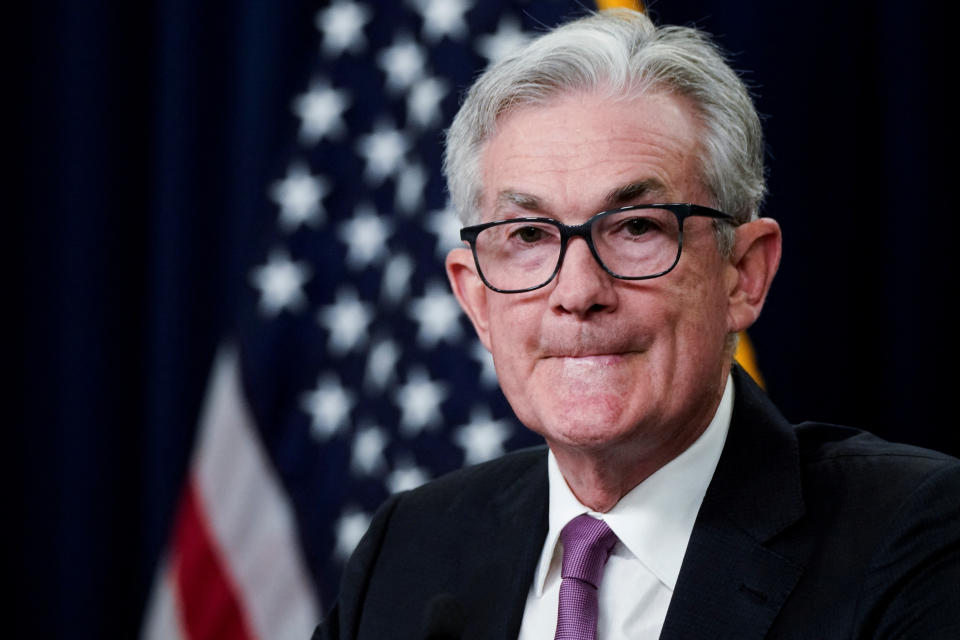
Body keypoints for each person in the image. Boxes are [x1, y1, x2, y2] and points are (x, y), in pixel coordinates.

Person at [315, 9, 960, 639]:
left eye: (635, 228)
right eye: (530, 234)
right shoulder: (407, 550)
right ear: (476, 299)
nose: (577, 292)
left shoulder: (916, 536)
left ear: (743, 274)